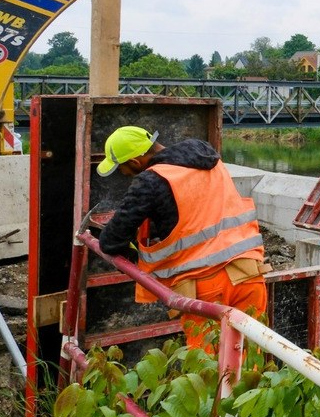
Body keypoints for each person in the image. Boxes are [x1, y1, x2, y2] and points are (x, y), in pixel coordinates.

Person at [96, 126, 269, 349]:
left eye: (123, 168)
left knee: (210, 370)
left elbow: (111, 240)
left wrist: (133, 255)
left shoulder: (150, 181)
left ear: (136, 161)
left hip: (206, 287)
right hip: (249, 273)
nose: (125, 174)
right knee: (248, 363)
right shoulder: (204, 152)